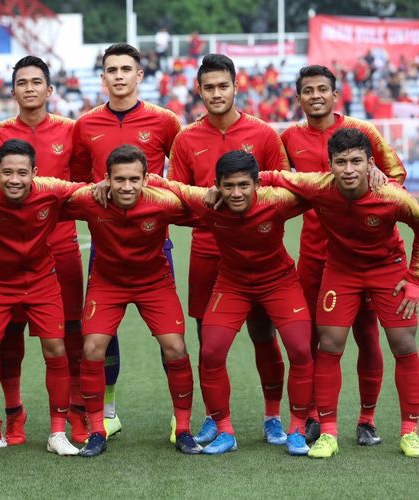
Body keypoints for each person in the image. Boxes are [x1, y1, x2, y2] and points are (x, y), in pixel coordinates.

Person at [259, 128, 419, 459]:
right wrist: (238, 178)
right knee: (330, 344)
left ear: (371, 163)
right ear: (330, 165)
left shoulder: (392, 194)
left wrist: (415, 279)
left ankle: (410, 431)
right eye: (341, 162)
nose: (349, 169)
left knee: (403, 343)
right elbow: (275, 176)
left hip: (388, 269)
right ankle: (328, 432)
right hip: (341, 270)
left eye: (357, 161)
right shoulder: (319, 186)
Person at [167, 54, 291, 447]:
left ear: (236, 87)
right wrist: (209, 213)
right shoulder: (186, 138)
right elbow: (177, 200)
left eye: (224, 86)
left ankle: (273, 416)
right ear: (199, 90)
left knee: (263, 334)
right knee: (209, 341)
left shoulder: (265, 134)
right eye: (209, 87)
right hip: (208, 252)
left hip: (260, 255)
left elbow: (283, 190)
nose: (217, 93)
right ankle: (215, 418)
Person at [280, 65, 407, 445]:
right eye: (308, 90)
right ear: (299, 97)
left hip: (361, 254)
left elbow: (397, 174)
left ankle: (367, 419)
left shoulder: (362, 133)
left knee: (367, 336)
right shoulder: (288, 137)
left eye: (323, 89)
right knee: (315, 339)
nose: (316, 96)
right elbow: (281, 182)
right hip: (315, 254)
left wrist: (382, 180)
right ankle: (316, 416)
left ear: (336, 95)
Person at [161, 150, 316, 456]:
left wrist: (376, 173)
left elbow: (320, 184)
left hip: (279, 281)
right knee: (211, 351)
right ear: (216, 185)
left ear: (256, 183)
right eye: (228, 186)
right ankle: (225, 430)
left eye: (244, 185)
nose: (236, 193)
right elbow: (166, 185)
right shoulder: (206, 202)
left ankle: (294, 427)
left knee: (300, 348)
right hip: (232, 284)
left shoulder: (277, 200)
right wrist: (105, 184)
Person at [61, 145, 202, 457]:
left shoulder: (162, 202)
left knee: (176, 348)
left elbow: (203, 205)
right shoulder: (90, 199)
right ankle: (98, 430)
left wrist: (164, 185)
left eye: (134, 179)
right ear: (106, 179)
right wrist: (86, 187)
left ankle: (183, 429)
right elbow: (52, 196)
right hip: (107, 282)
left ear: (146, 179)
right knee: (92, 347)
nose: (127, 186)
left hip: (153, 282)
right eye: (119, 179)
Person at [71, 43, 182, 440]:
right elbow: (78, 182)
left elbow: (181, 176)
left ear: (140, 75)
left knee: (170, 339)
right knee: (102, 334)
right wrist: (96, 186)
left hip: (155, 246)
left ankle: (178, 417)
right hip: (106, 247)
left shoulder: (166, 121)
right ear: (102, 78)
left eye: (126, 69)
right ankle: (110, 410)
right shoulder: (84, 124)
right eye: (111, 70)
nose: (119, 76)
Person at [0, 139, 84, 459]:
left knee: (56, 349)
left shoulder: (52, 189)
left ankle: (57, 432)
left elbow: (90, 191)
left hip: (42, 282)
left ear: (35, 173)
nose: (15, 179)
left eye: (23, 173)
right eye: (8, 172)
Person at [0, 56, 87, 446]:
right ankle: (13, 413)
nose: (29, 88)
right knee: (7, 337)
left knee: (69, 336)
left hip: (60, 248)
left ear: (49, 89)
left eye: (36, 82)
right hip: (7, 254)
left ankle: (75, 414)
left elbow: (79, 188)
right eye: (22, 82)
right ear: (12, 91)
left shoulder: (70, 130)